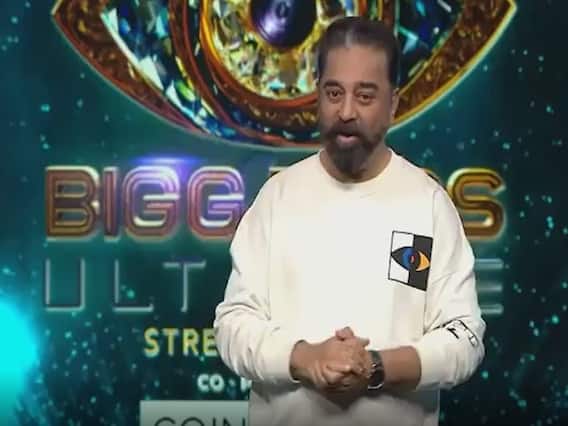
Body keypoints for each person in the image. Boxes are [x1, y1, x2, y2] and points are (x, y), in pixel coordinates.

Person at [213, 16, 486, 426]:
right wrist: (306, 358)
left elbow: (464, 338)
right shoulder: (277, 199)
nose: (345, 111)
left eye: (365, 96)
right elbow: (233, 325)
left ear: (393, 103)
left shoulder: (427, 205)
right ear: (317, 96)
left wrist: (375, 367)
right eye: (333, 93)